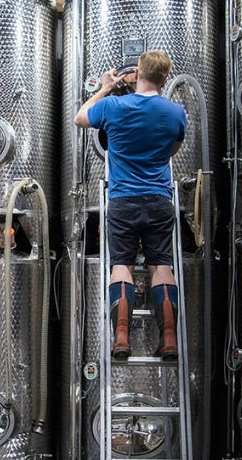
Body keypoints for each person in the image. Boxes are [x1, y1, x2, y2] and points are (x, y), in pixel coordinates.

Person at [74, 50, 186, 361]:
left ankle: (121, 337)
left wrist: (105, 88)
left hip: (122, 201)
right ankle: (169, 340)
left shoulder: (112, 106)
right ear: (164, 79)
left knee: (121, 266)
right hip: (160, 201)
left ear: (136, 73)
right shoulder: (176, 112)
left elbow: (80, 117)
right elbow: (172, 150)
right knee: (161, 267)